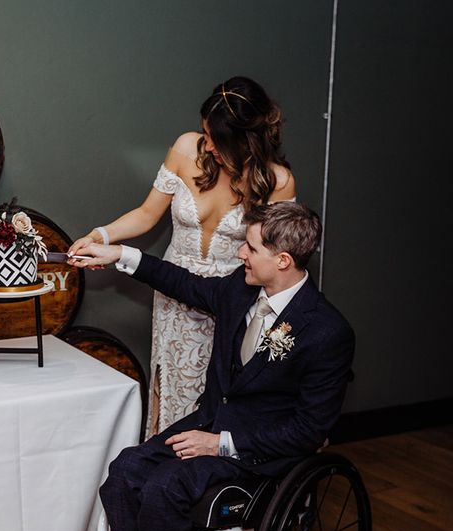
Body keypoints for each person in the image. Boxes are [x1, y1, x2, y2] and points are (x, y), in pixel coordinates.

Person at [69, 202, 354, 531]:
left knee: (161, 490)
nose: (240, 253)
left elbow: (309, 430)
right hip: (206, 424)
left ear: (283, 259)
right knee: (124, 472)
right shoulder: (241, 291)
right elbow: (182, 282)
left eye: (252, 246)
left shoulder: (327, 331)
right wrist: (118, 254)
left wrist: (220, 443)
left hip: (257, 455)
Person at [69, 76, 296, 438]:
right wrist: (100, 235)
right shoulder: (187, 148)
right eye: (205, 132)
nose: (206, 144)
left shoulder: (277, 181)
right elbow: (147, 214)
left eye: (216, 139)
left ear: (243, 141)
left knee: (217, 392)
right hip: (173, 291)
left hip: (229, 300)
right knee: (172, 387)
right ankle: (163, 471)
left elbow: (272, 256)